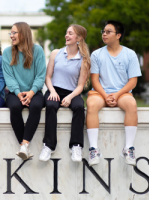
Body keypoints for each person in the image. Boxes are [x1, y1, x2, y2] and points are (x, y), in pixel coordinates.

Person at [86, 20, 142, 166]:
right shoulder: (96, 54)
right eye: (103, 32)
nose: (104, 34)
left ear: (118, 35)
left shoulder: (130, 54)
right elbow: (95, 81)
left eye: (108, 32)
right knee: (91, 104)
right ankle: (93, 149)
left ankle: (128, 148)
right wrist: (106, 96)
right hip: (101, 93)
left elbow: (132, 82)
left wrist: (116, 95)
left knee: (131, 104)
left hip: (122, 93)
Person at [39, 24, 91, 162]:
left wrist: (70, 96)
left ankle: (76, 146)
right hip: (54, 90)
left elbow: (80, 86)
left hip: (72, 92)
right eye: (66, 32)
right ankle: (49, 146)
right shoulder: (56, 53)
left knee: (79, 107)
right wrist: (52, 91)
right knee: (51, 106)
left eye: (70, 33)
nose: (66, 36)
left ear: (79, 38)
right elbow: (47, 77)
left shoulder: (83, 60)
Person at [2, 22, 46, 160]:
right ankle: (24, 145)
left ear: (23, 33)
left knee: (37, 106)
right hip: (15, 93)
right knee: (14, 106)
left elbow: (40, 75)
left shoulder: (37, 50)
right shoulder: (7, 52)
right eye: (11, 33)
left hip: (34, 91)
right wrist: (18, 93)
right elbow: (8, 76)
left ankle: (24, 145)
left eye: (14, 32)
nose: (11, 36)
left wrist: (32, 92)